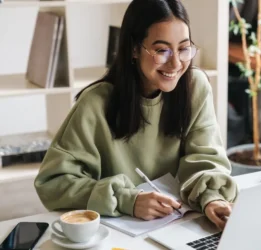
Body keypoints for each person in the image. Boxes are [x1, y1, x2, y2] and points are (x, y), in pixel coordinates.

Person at [34, 0, 238, 230]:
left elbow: (206, 158)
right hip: (117, 232)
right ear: (134, 48)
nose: (176, 63)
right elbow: (53, 183)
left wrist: (213, 198)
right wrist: (127, 200)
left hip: (179, 223)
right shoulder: (95, 103)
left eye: (183, 48)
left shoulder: (196, 87)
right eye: (162, 50)